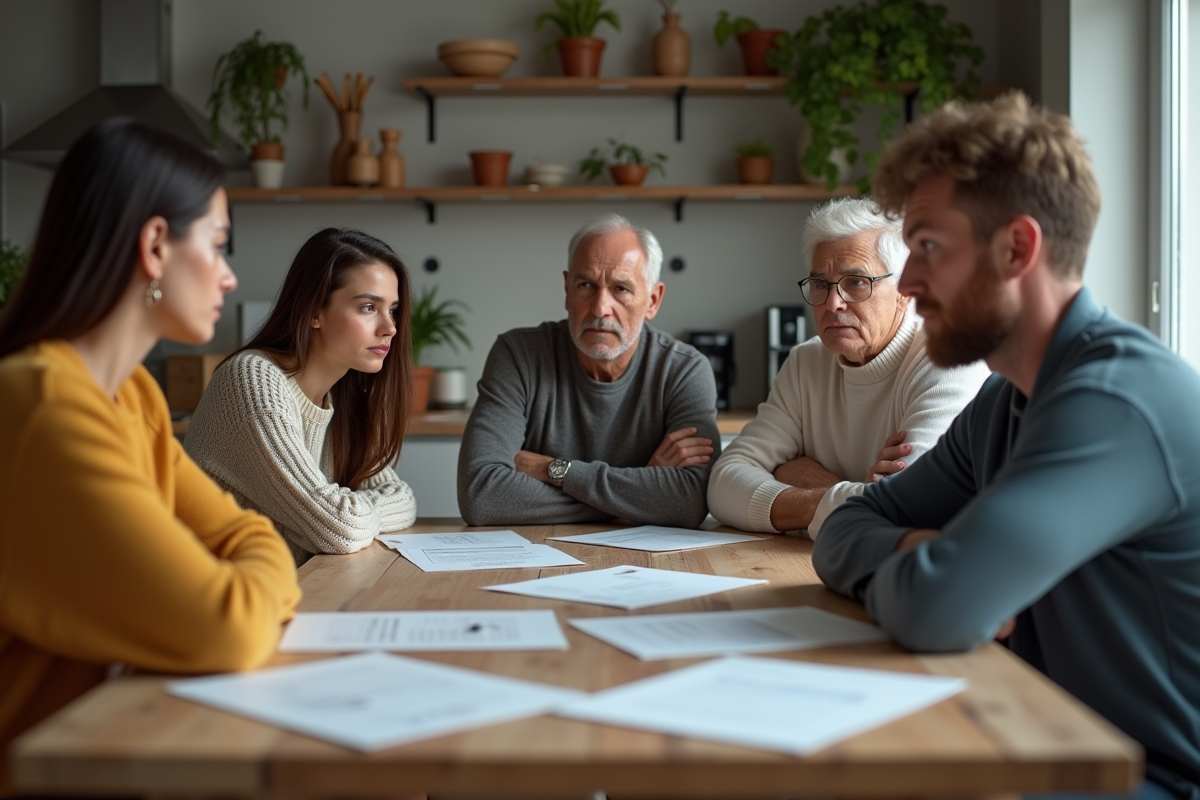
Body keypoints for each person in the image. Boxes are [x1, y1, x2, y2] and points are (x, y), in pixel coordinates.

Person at [812, 93, 1200, 800]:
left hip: (1145, 780)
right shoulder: (1004, 402)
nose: (907, 283)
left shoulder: (1117, 404)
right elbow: (842, 529)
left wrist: (937, 577)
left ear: (1018, 248)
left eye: (928, 247)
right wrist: (909, 553)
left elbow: (940, 609)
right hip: (1031, 742)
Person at [0, 119, 300, 794]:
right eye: (218, 246)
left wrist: (246, 574)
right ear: (157, 246)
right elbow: (225, 626)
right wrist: (253, 583)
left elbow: (243, 533)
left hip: (118, 745)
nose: (229, 277)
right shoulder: (44, 406)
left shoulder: (130, 393)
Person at [708, 198, 989, 537]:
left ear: (904, 290)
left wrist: (800, 477)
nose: (832, 303)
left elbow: (913, 506)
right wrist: (851, 494)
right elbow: (723, 485)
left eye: (856, 282)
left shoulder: (946, 361)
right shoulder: (805, 363)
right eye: (820, 284)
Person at [458, 214, 718, 528]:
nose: (599, 308)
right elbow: (481, 497)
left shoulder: (684, 370)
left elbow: (691, 502)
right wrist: (632, 500)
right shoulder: (518, 356)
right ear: (567, 289)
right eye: (586, 285)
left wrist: (557, 470)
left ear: (653, 300)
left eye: (621, 289)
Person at [185, 228, 418, 565]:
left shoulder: (346, 394)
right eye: (368, 307)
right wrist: (343, 515)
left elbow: (403, 498)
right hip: (213, 599)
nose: (390, 328)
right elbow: (339, 528)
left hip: (287, 589)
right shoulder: (253, 379)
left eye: (393, 310)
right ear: (314, 312)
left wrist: (345, 513)